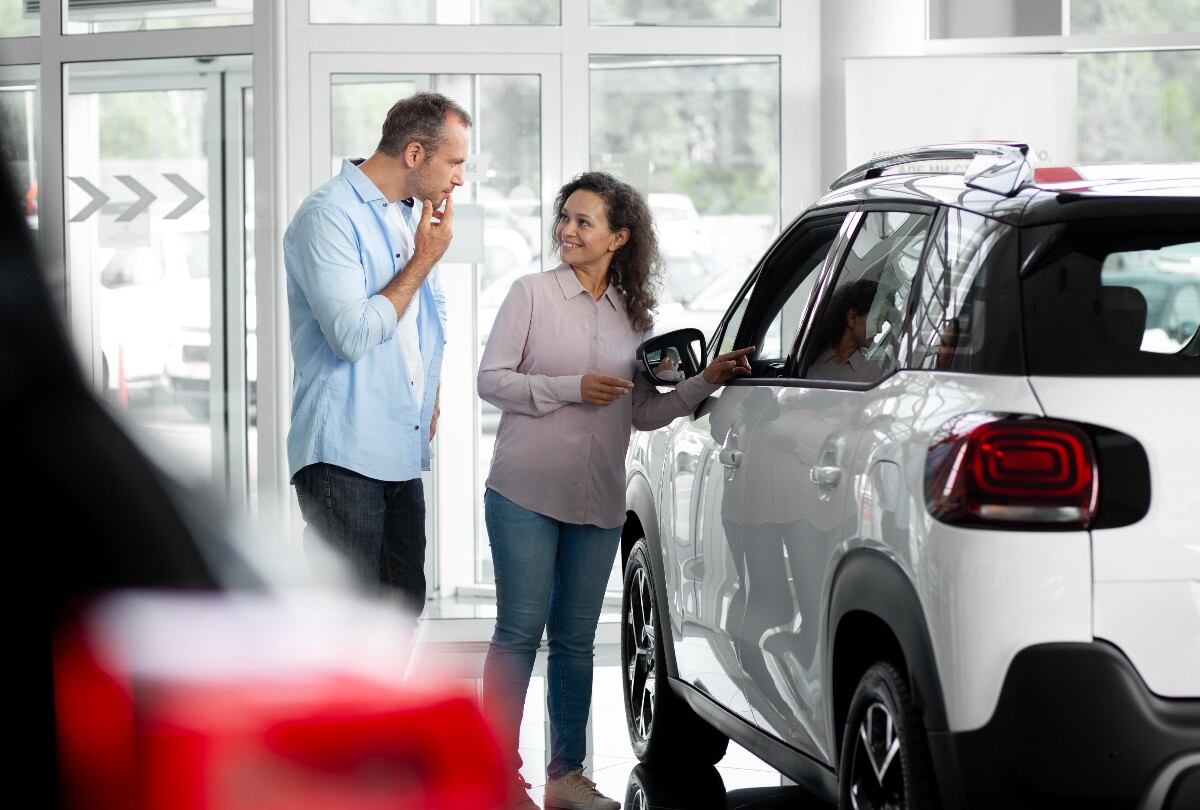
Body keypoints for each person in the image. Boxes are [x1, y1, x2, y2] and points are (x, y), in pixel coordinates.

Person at [477, 171, 754, 810]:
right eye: (565, 219)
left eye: (584, 222)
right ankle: (492, 776)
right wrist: (570, 387)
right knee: (519, 632)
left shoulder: (638, 318)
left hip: (598, 500)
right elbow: (491, 382)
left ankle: (565, 777)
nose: (568, 231)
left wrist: (701, 383)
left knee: (575, 641)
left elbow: (644, 413)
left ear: (618, 236)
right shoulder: (530, 294)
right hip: (523, 492)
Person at [283, 92, 471, 615]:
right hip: (342, 453)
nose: (459, 178)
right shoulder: (328, 216)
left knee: (400, 607)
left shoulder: (407, 215)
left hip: (397, 448)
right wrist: (423, 261)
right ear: (415, 154)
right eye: (454, 162)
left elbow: (428, 320)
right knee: (348, 622)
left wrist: (428, 398)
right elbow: (352, 334)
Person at [805, 278, 883, 383]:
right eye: (877, 320)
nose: (880, 330)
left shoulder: (873, 375)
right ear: (852, 317)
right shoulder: (809, 355)